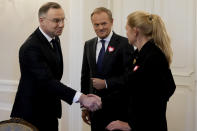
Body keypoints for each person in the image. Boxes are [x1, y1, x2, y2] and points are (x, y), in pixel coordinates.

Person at [10, 2, 101, 131]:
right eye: (56, 20)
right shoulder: (31, 47)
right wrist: (82, 98)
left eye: (63, 19)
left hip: (49, 112)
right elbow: (47, 81)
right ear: (42, 21)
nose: (62, 24)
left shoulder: (54, 39)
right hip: (31, 115)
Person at [105, 11, 176, 131]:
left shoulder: (153, 57)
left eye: (127, 29)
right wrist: (102, 100)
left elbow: (160, 96)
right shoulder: (139, 54)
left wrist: (133, 124)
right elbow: (130, 87)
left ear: (135, 31)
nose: (126, 33)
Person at [81, 7, 134, 131]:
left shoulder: (125, 44)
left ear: (112, 22)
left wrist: (105, 83)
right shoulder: (88, 44)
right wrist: (85, 106)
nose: (100, 28)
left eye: (104, 23)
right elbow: (85, 76)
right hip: (94, 110)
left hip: (117, 109)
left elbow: (129, 78)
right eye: (96, 24)